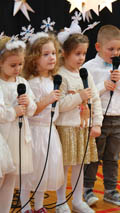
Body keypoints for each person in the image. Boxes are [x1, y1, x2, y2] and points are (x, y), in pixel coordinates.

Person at [83, 24, 120, 207]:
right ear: (98, 47)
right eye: (111, 49)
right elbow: (84, 95)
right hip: (98, 120)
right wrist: (102, 87)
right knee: (93, 157)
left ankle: (111, 191)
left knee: (112, 158)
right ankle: (88, 189)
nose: (115, 53)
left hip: (119, 120)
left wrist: (119, 81)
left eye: (119, 49)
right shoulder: (89, 67)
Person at [55, 21, 103, 213]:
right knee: (64, 167)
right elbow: (60, 105)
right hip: (66, 127)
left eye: (84, 53)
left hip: (82, 128)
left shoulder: (85, 74)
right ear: (65, 53)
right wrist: (79, 97)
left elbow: (96, 99)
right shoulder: (60, 74)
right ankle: (60, 202)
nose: (81, 58)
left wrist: (96, 123)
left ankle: (77, 200)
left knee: (79, 166)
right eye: (77, 54)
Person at [20, 32, 64, 213]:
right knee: (30, 174)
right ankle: (25, 207)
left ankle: (39, 207)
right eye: (45, 54)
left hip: (49, 132)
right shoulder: (32, 83)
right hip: (35, 133)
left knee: (44, 173)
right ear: (34, 59)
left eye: (53, 53)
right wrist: (47, 100)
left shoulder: (53, 80)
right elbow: (32, 110)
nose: (51, 57)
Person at [0, 35, 37, 213]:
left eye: (20, 64)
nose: (17, 69)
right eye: (13, 65)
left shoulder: (22, 82)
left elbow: (33, 108)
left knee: (10, 180)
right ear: (0, 63)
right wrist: (12, 112)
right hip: (2, 137)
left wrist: (28, 103)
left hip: (18, 137)